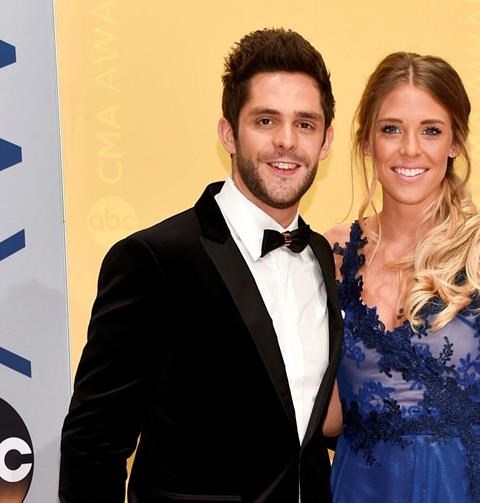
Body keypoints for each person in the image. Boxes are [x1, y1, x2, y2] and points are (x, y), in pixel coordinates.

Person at [59, 28, 343, 503]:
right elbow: (94, 444)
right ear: (228, 133)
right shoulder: (154, 260)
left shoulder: (321, 257)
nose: (287, 141)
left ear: (326, 140)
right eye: (266, 121)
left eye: (305, 124)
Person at [323, 52, 480, 502]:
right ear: (366, 141)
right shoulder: (331, 254)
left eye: (431, 130)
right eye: (391, 129)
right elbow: (327, 417)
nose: (410, 149)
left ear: (455, 142)